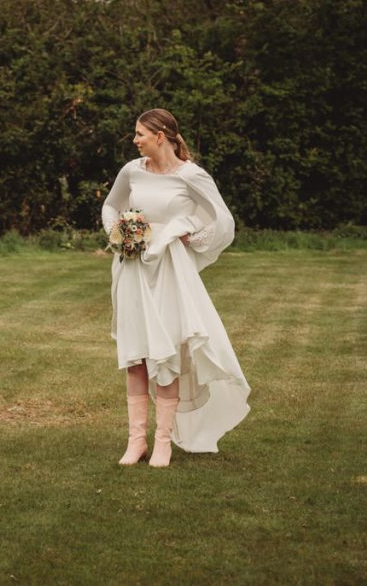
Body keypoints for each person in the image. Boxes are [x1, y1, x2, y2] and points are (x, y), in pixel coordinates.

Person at [101, 108, 250, 467]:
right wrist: (118, 235)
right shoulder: (132, 171)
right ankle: (136, 441)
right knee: (135, 354)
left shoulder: (191, 176)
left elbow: (223, 220)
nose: (135, 140)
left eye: (139, 134)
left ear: (161, 136)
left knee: (165, 355)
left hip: (168, 270)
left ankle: (164, 441)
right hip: (133, 268)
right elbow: (111, 206)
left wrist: (192, 236)